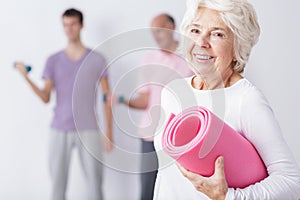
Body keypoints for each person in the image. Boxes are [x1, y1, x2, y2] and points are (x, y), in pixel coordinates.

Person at [153, 0, 300, 200]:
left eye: (217, 34)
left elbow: (290, 182)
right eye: (195, 31)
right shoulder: (173, 91)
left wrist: (228, 197)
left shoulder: (246, 100)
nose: (201, 42)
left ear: (237, 47)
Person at [15, 8, 112, 200]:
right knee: (57, 187)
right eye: (66, 25)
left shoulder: (97, 59)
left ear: (81, 25)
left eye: (73, 24)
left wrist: (109, 132)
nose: (69, 29)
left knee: (95, 185)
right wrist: (26, 77)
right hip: (59, 128)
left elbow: (107, 97)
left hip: (89, 129)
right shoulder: (53, 60)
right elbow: (45, 97)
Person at [112, 13, 193, 200]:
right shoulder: (149, 60)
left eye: (159, 30)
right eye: (152, 32)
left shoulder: (189, 57)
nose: (156, 36)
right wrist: (122, 99)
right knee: (148, 188)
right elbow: (144, 101)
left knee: (181, 188)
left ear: (171, 27)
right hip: (150, 135)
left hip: (180, 135)